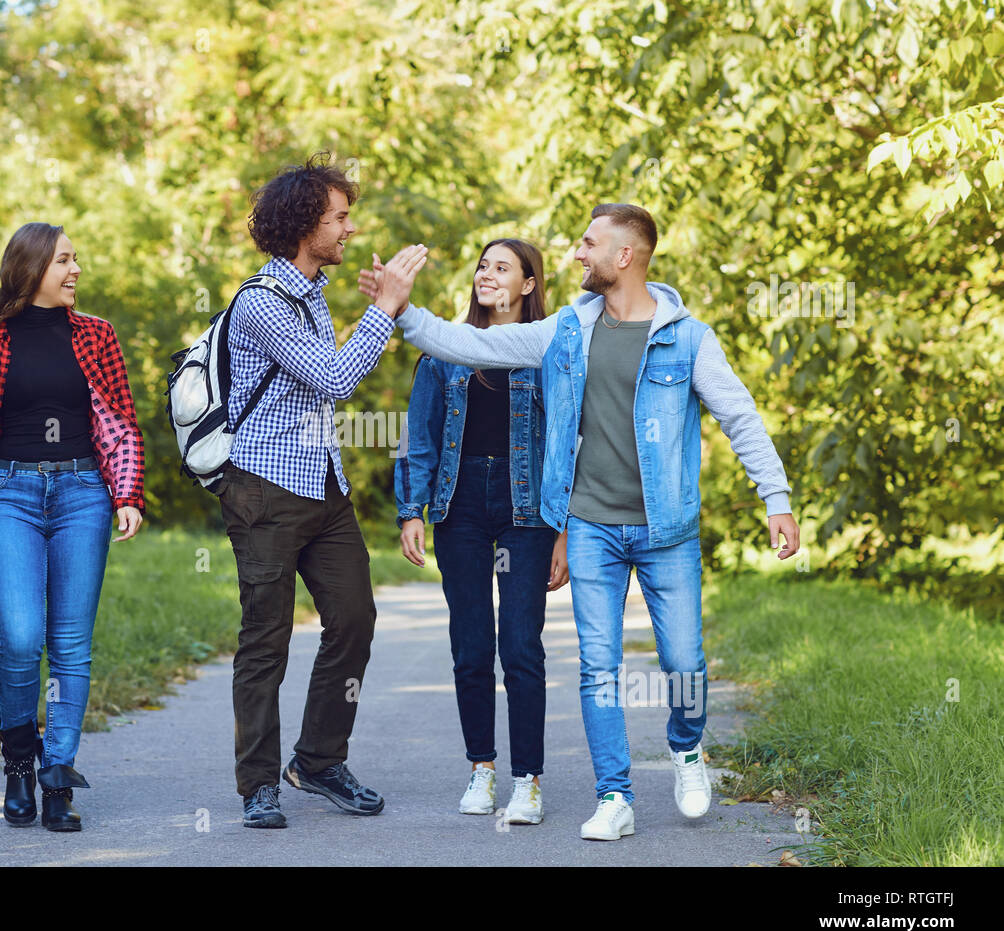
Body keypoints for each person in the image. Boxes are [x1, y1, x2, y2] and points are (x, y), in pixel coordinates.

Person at [361, 203, 800, 840]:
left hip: (665, 529)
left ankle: (685, 749)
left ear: (625, 256)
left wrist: (776, 497)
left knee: (685, 662)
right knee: (598, 667)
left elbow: (740, 416)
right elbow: (473, 343)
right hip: (592, 523)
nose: (577, 254)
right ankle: (614, 794)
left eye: (589, 244)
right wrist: (399, 311)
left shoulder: (689, 338)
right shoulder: (568, 330)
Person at [222, 151, 427, 829]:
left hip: (323, 488)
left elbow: (329, 377)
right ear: (304, 221)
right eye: (340, 217)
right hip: (265, 491)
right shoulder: (259, 300)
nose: (348, 230)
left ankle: (317, 759)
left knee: (355, 620)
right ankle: (258, 783)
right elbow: (335, 379)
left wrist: (380, 310)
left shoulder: (311, 293)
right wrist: (387, 309)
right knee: (266, 640)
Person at [0, 223, 145, 833]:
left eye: (75, 259)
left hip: (83, 493)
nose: (75, 269)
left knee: (71, 645)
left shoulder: (98, 335)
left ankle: (58, 778)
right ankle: (17, 765)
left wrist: (127, 492)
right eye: (64, 260)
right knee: (21, 637)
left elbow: (119, 419)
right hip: (11, 493)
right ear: (31, 268)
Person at [394, 238, 563, 825]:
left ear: (528, 285)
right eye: (483, 265)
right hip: (458, 505)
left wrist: (562, 528)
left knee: (520, 645)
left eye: (503, 268)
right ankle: (481, 769)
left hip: (526, 509)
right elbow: (420, 437)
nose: (487, 275)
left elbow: (571, 439)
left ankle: (528, 781)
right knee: (471, 646)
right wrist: (411, 510)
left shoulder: (551, 351)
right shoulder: (444, 351)